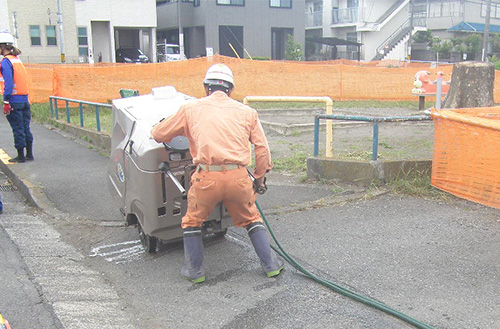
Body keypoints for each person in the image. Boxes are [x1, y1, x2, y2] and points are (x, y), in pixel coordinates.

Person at [151, 63, 284, 283]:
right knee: (251, 218)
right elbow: (262, 149)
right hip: (238, 177)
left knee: (192, 220)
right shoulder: (247, 112)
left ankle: (195, 272)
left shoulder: (190, 109)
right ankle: (270, 265)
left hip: (207, 178)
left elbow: (159, 134)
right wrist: (259, 177)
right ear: (231, 90)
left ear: (206, 88)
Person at [0, 31, 34, 163]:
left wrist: (6, 101)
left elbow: (8, 83)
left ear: (3, 47)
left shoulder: (6, 62)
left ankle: (20, 155)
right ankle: (29, 154)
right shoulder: (17, 60)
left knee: (17, 128)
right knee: (26, 127)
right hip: (24, 99)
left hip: (13, 100)